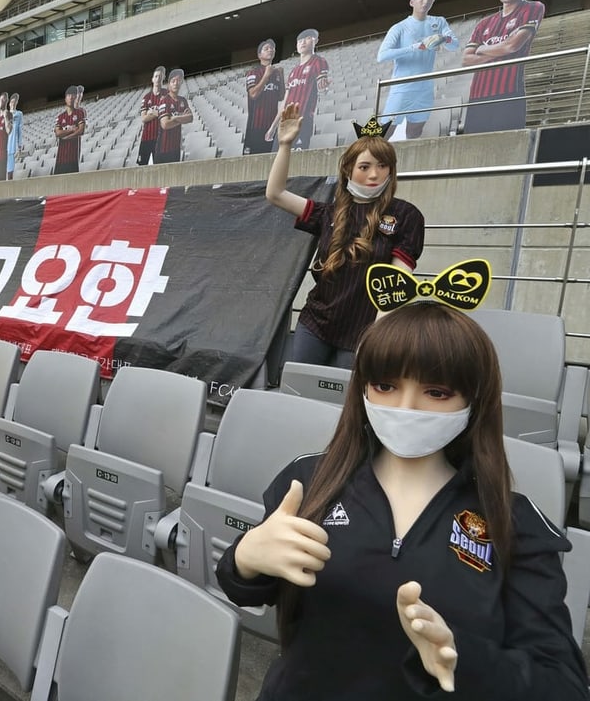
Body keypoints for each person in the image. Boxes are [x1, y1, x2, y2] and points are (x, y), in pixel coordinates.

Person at [216, 300, 590, 700]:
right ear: (362, 388)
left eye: (436, 392)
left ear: (473, 400)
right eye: (385, 386)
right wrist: (244, 559)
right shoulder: (309, 481)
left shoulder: (516, 525)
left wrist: (467, 661)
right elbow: (248, 588)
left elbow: (563, 684)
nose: (406, 408)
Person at [265, 105, 424, 367]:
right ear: (349, 170)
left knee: (344, 404)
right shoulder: (329, 213)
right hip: (315, 325)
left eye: (383, 166)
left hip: (363, 333)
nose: (374, 174)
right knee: (299, 392)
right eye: (365, 166)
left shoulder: (406, 216)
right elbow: (275, 194)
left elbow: (394, 287)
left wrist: (379, 336)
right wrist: (284, 145)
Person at [462, 0, 544, 134]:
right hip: (478, 96)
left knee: (506, 143)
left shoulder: (533, 8)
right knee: (474, 144)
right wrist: (500, 49)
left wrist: (482, 49)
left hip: (509, 92)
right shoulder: (483, 23)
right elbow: (466, 60)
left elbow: (512, 46)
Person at [377, 0, 460, 139]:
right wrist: (414, 47)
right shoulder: (399, 27)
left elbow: (455, 45)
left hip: (424, 88)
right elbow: (382, 55)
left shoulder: (439, 22)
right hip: (402, 88)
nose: (426, 1)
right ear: (411, 2)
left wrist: (443, 38)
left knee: (415, 132)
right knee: (385, 132)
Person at [267, 29, 330, 150]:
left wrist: (324, 87)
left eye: (307, 38)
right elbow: (284, 102)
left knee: (294, 162)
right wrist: (273, 127)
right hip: (284, 122)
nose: (303, 42)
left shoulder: (318, 62)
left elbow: (322, 87)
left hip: (302, 120)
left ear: (315, 41)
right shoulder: (293, 71)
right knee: (276, 160)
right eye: (300, 40)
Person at [244, 40, 285, 155]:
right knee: (254, 160)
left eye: (272, 48)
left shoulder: (277, 73)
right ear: (259, 55)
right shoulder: (253, 72)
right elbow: (253, 94)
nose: (270, 50)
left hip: (272, 126)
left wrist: (281, 77)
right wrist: (266, 76)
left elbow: (281, 97)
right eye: (266, 48)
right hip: (256, 126)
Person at [156, 68, 193, 164]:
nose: (176, 83)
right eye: (173, 81)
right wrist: (181, 118)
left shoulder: (183, 101)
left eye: (178, 80)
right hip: (163, 149)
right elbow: (165, 124)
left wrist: (175, 118)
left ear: (181, 83)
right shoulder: (164, 101)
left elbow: (190, 118)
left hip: (176, 148)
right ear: (169, 84)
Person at [137, 66, 166, 166]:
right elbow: (144, 118)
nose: (158, 78)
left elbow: (166, 116)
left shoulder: (166, 95)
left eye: (160, 76)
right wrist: (158, 112)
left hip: (160, 138)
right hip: (146, 138)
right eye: (156, 76)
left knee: (159, 167)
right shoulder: (146, 97)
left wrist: (152, 112)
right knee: (142, 166)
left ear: (163, 78)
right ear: (152, 79)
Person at [54, 86, 85, 175]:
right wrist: (71, 130)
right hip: (61, 156)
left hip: (73, 154)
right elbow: (58, 132)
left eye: (78, 94)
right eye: (69, 95)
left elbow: (80, 130)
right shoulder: (61, 116)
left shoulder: (80, 112)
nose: (73, 97)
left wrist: (66, 136)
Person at [6, 94, 23, 180]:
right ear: (9, 103)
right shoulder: (5, 114)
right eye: (11, 102)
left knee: (10, 172)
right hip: (4, 145)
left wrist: (19, 147)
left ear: (17, 103)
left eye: (14, 102)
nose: (12, 104)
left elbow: (20, 131)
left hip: (12, 145)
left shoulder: (19, 114)